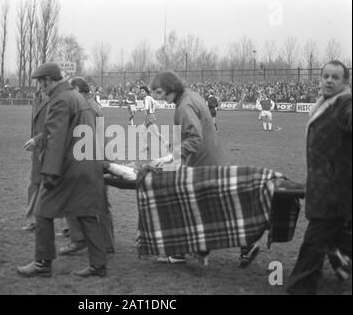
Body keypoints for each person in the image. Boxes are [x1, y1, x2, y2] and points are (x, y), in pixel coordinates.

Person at [150, 71, 259, 266]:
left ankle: (185, 251)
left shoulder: (184, 106)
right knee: (210, 207)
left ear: (170, 88)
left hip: (203, 163)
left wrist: (170, 156)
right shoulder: (192, 96)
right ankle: (209, 249)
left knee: (186, 204)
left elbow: (194, 138)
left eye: (160, 92)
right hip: (212, 158)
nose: (159, 98)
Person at [17, 63, 109, 278]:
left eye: (40, 83)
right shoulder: (76, 97)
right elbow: (63, 130)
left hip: (67, 168)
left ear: (47, 80)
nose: (40, 88)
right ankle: (98, 265)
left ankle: (42, 263)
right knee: (87, 214)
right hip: (86, 164)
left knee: (42, 211)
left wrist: (49, 172)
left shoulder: (60, 100)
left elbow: (56, 138)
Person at [286, 60, 352, 295]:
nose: (329, 81)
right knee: (339, 238)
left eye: (335, 77)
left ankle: (301, 286)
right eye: (325, 76)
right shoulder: (324, 104)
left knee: (314, 242)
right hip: (325, 189)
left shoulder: (344, 104)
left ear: (345, 82)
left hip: (333, 192)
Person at [57, 77, 115, 256]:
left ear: (79, 91)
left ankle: (79, 239)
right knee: (100, 202)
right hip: (100, 157)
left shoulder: (86, 107)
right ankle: (107, 243)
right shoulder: (93, 105)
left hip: (90, 159)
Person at [21, 88, 46, 232]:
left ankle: (71, 228)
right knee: (34, 184)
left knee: (62, 185)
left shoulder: (59, 96)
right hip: (37, 148)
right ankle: (33, 221)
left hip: (53, 146)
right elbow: (34, 123)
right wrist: (33, 141)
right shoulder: (36, 96)